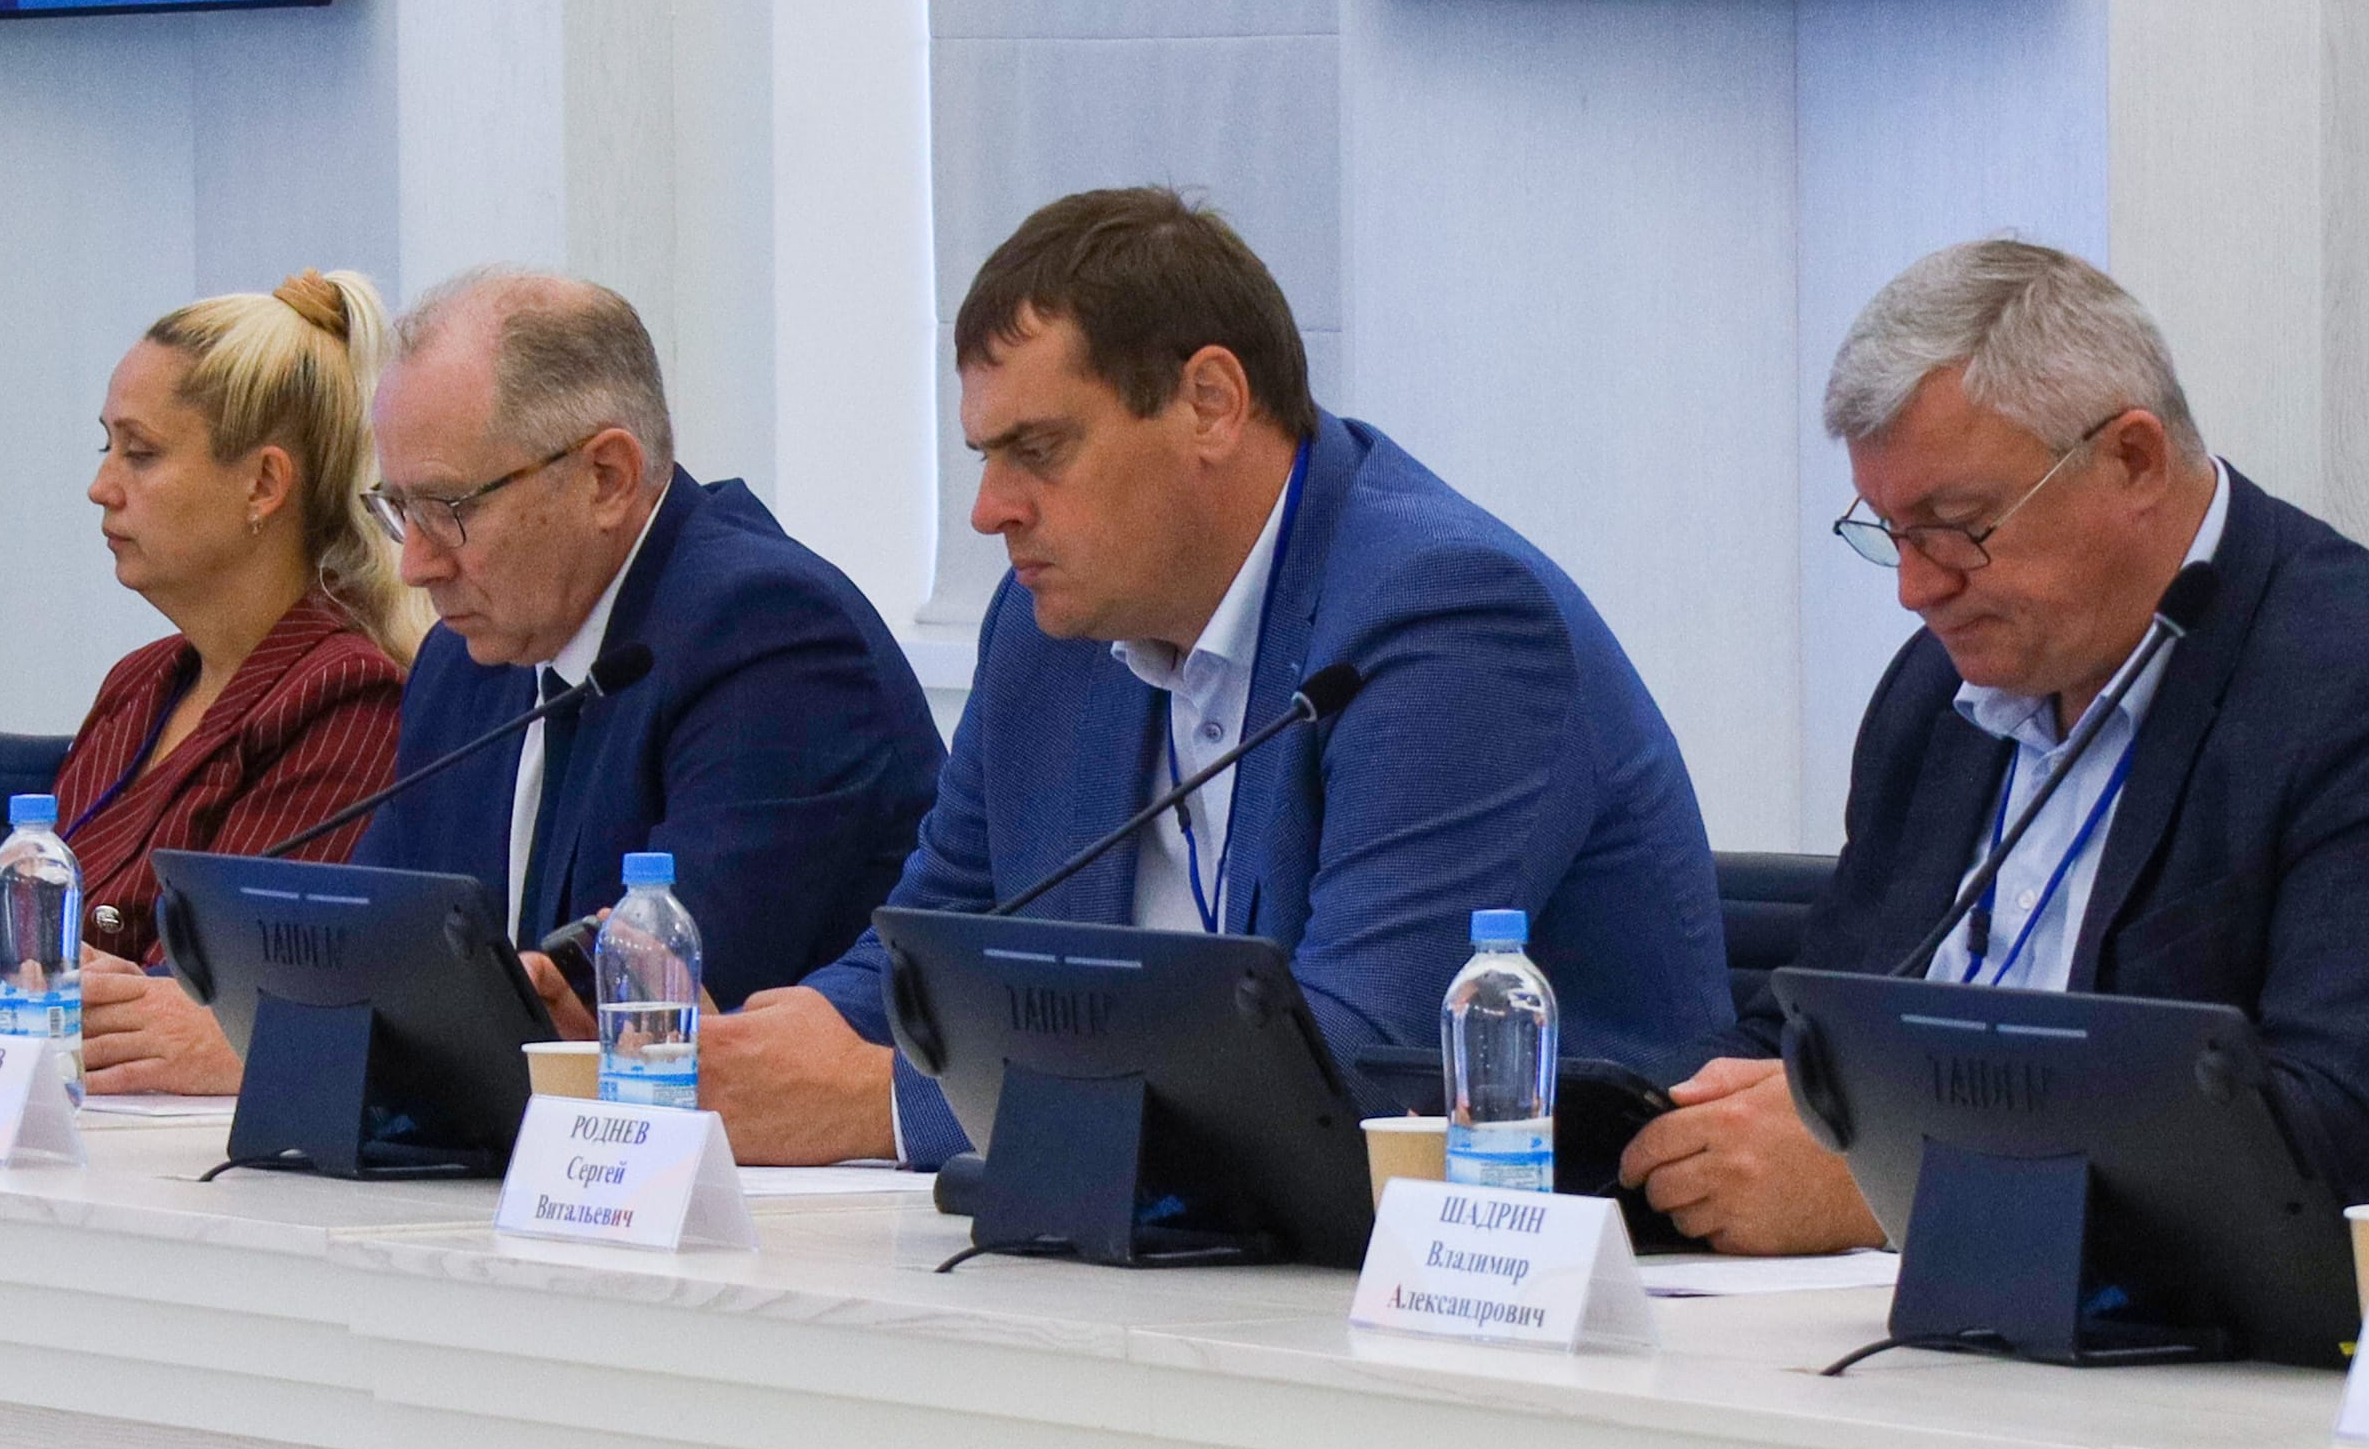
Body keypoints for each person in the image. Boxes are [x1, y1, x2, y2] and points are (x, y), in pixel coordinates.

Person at [702, 188, 1725, 1166]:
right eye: (984, 456)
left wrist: (885, 1100)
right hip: (1189, 1225)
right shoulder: (1047, 628)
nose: (989, 510)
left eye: (1039, 449)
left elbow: (1356, 1059)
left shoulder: (1448, 617)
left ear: (1212, 404)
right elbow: (932, 949)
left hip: (1546, 1243)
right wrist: (745, 1048)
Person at [1621, 236, 2369, 1249]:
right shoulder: (1939, 694)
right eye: (1893, 534)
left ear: (2132, 459)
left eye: (1958, 526)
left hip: (2237, 1342)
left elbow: (2364, 1155)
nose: (1916, 588)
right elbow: (1820, 1037)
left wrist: (1894, 1186)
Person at [356, 270, 939, 1019]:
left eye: (448, 508)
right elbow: (374, 942)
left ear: (607, 477)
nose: (415, 564)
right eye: (399, 508)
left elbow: (658, 1006)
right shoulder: (462, 663)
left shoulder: (769, 636)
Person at [45, 272, 417, 1095]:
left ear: (263, 485)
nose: (102, 487)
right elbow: (19, 948)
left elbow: (224, 989)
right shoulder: (139, 683)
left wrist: (40, 987)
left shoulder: (349, 699)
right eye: (106, 448)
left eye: (140, 453)